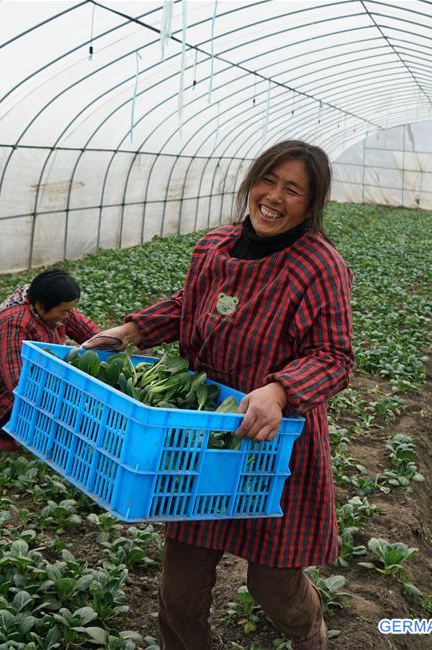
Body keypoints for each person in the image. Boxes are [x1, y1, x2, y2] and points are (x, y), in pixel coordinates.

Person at [86, 140, 353, 649]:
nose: (274, 197)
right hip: (201, 439)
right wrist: (131, 331)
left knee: (274, 588)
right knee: (180, 595)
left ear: (311, 203)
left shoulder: (319, 265)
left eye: (292, 190)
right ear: (251, 183)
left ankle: (311, 633)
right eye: (267, 181)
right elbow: (189, 304)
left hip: (272, 443)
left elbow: (335, 357)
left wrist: (279, 389)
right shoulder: (215, 246)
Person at [0, 268, 100, 451]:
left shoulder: (52, 305)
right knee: (59, 424)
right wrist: (62, 405)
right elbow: (19, 383)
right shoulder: (14, 324)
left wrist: (108, 345)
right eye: (64, 311)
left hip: (29, 372)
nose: (67, 316)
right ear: (41, 306)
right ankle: (1, 428)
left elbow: (89, 333)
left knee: (68, 411)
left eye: (70, 310)